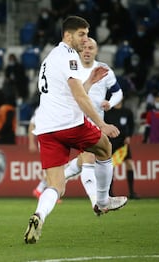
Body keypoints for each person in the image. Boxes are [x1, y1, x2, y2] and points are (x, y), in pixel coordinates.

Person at [24, 16, 127, 244]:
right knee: (105, 147)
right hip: (69, 123)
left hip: (47, 129)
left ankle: (38, 216)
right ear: (68, 35)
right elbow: (79, 96)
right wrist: (102, 124)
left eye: (88, 34)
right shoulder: (70, 56)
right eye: (81, 34)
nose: (86, 39)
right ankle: (102, 201)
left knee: (56, 186)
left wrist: (89, 81)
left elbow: (71, 90)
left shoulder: (51, 57)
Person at [32, 37, 124, 209]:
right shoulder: (72, 66)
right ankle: (98, 202)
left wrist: (110, 103)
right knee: (90, 158)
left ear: (96, 50)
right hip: (76, 121)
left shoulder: (104, 70)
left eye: (91, 47)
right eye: (85, 47)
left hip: (92, 120)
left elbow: (118, 93)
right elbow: (77, 96)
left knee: (81, 163)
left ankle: (43, 189)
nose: (87, 50)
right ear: (80, 50)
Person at [104, 99, 139, 199]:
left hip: (123, 143)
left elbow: (131, 125)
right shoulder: (108, 113)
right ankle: (110, 193)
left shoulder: (127, 112)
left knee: (129, 164)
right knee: (110, 167)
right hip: (111, 143)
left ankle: (132, 192)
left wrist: (129, 136)